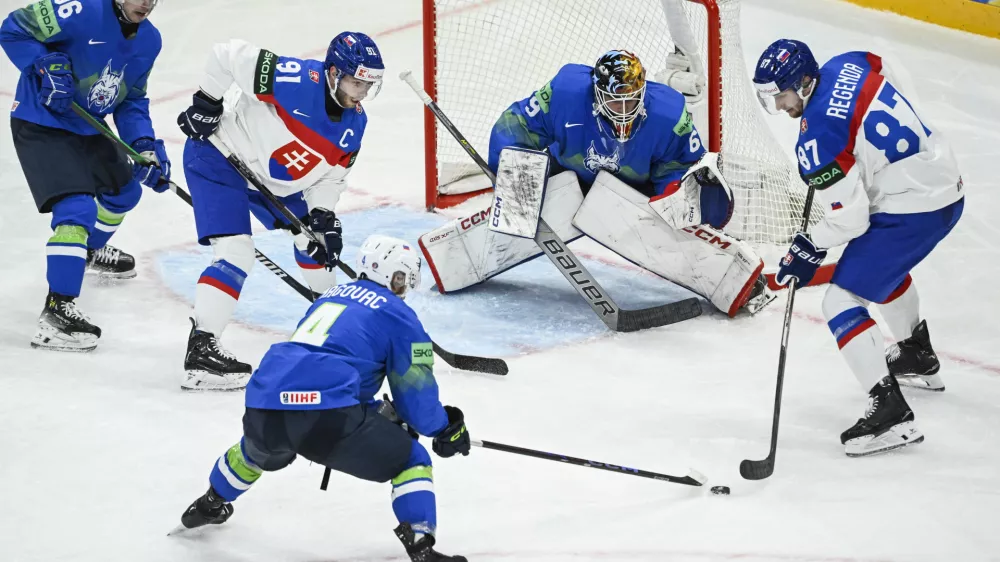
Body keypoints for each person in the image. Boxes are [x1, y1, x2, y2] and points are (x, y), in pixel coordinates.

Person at [174, 235, 469, 562]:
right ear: (396, 277)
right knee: (411, 459)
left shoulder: (328, 297)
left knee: (257, 449)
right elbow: (416, 389)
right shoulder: (401, 316)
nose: (403, 289)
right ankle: (420, 544)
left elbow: (320, 366)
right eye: (404, 281)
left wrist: (378, 412)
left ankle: (211, 501)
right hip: (325, 411)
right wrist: (444, 428)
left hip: (266, 396)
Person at [419, 50, 774, 318]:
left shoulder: (668, 112)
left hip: (637, 192)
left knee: (663, 223)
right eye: (615, 99)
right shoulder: (565, 92)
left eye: (631, 99)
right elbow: (516, 126)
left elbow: (681, 165)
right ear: (597, 92)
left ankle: (734, 278)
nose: (624, 108)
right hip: (568, 176)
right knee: (527, 205)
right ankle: (452, 258)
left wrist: (672, 199)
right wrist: (517, 178)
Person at [753, 39, 964, 456]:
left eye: (780, 95)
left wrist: (807, 247)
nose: (778, 106)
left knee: (840, 301)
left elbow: (851, 220)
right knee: (879, 269)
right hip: (944, 182)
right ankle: (917, 355)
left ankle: (891, 415)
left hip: (914, 208)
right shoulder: (849, 63)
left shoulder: (819, 141)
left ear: (804, 81)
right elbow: (889, 65)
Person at [175, 31, 383, 389]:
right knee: (236, 253)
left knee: (314, 241)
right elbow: (226, 53)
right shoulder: (293, 78)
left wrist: (322, 214)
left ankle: (330, 324)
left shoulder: (355, 124)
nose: (361, 93)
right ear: (333, 73)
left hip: (273, 183)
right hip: (220, 157)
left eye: (367, 85)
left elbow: (331, 178)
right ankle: (202, 348)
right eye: (354, 82)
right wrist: (207, 102)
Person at [1, 0, 171, 351]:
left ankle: (88, 250)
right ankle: (56, 311)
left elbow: (131, 99)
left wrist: (144, 145)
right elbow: (13, 28)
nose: (146, 3)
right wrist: (43, 62)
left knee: (124, 194)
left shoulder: (149, 40)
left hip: (89, 127)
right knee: (77, 210)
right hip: (41, 123)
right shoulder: (79, 10)